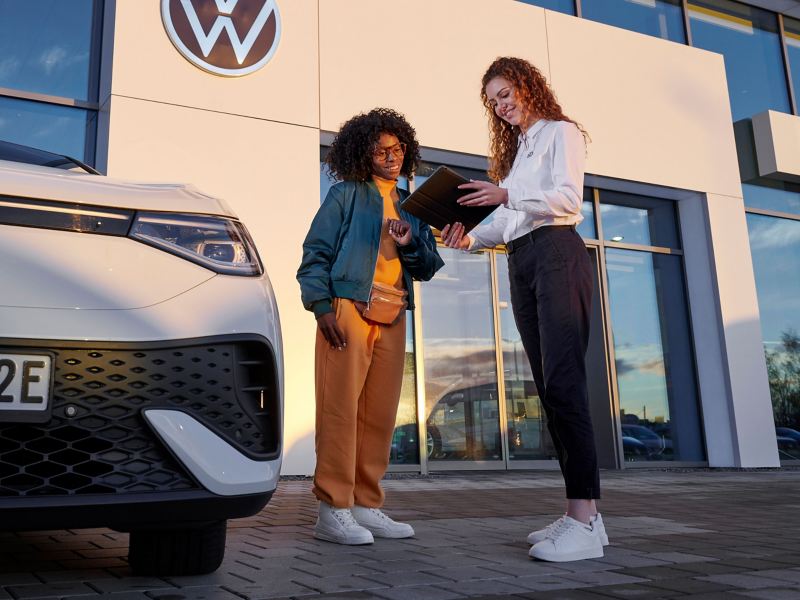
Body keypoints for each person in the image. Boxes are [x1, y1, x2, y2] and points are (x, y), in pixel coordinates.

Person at [441, 57, 608, 562]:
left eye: (506, 92)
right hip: (524, 260)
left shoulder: (561, 133)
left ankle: (583, 519)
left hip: (558, 252)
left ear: (528, 85)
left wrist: (507, 191)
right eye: (493, 100)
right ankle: (586, 517)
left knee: (565, 384)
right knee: (548, 388)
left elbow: (565, 198)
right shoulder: (518, 153)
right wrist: (467, 236)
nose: (501, 104)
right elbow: (509, 224)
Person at [297, 108, 444, 545]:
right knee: (340, 410)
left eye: (397, 148)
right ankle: (332, 509)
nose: (390, 156)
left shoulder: (413, 206)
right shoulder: (345, 195)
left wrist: (409, 241)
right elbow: (315, 253)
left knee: (379, 415)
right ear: (363, 153)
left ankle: (365, 505)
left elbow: (430, 265)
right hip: (346, 309)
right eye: (380, 149)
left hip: (393, 312)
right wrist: (322, 307)